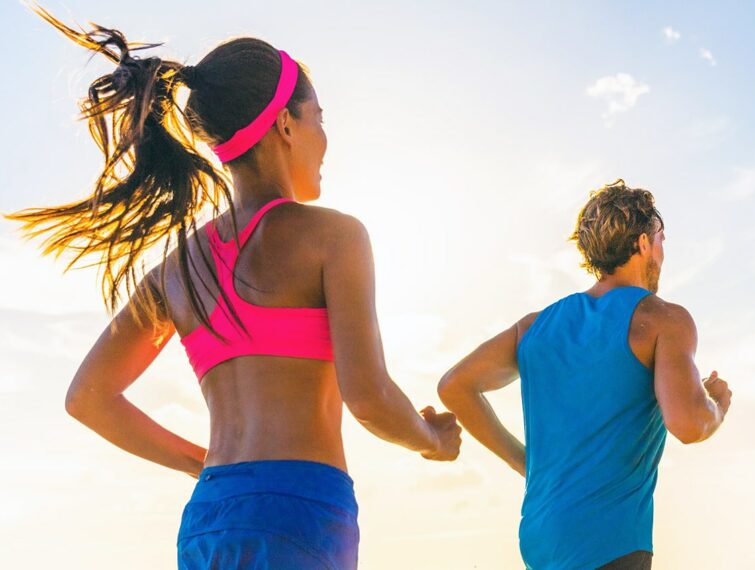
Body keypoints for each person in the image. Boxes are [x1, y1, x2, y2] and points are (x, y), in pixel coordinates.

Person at [6, 6, 461, 569]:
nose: (326, 137)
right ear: (286, 126)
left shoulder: (176, 268)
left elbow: (89, 399)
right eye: (319, 117)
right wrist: (432, 440)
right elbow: (368, 399)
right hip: (298, 511)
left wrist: (204, 465)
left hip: (209, 516)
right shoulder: (334, 237)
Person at [438, 180, 732, 570]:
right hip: (610, 541)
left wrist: (528, 465)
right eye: (662, 238)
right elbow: (690, 425)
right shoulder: (663, 319)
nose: (662, 250)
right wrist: (716, 404)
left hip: (541, 537)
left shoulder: (534, 328)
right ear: (644, 243)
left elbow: (455, 386)